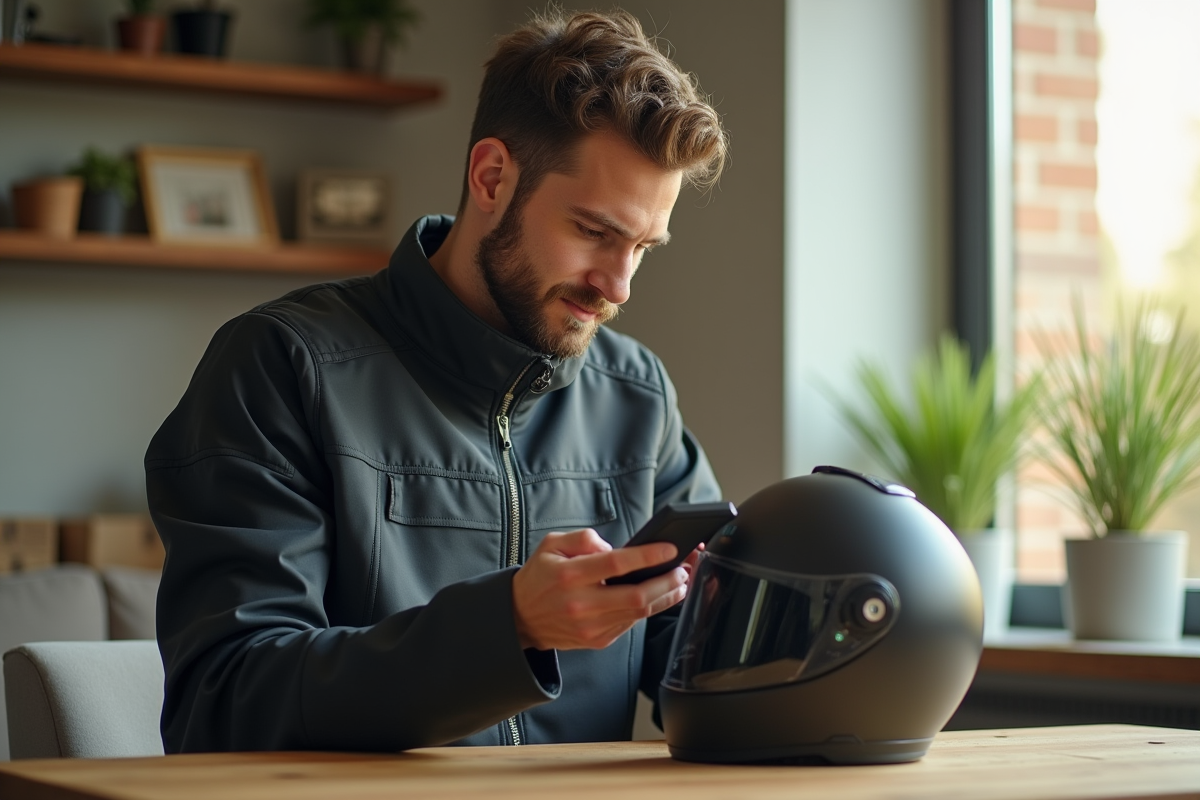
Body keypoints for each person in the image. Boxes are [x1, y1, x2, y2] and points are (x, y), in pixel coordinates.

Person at [146, 8, 728, 753]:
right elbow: (225, 700)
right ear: (492, 177)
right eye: (593, 231)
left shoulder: (637, 396)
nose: (617, 286)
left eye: (643, 246)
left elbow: (708, 663)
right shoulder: (283, 367)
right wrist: (509, 626)